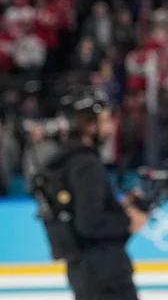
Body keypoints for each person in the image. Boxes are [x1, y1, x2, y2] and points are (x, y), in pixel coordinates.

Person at [31, 90, 149, 300]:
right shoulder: (86, 164)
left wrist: (120, 209)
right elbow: (89, 223)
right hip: (105, 273)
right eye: (104, 121)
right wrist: (127, 220)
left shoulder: (68, 160)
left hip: (86, 270)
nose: (111, 128)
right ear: (87, 124)